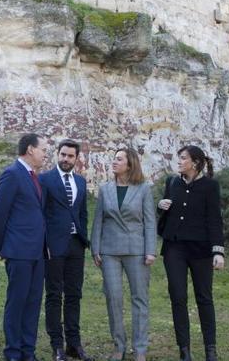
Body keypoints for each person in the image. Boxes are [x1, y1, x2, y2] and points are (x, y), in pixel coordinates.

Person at [157, 145, 225, 361]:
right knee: (178, 297)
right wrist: (160, 206)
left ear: (194, 162)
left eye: (183, 158)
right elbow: (165, 213)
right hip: (174, 248)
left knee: (204, 298)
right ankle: (184, 350)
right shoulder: (172, 182)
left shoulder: (210, 186)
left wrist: (218, 251)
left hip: (201, 250)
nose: (179, 162)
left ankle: (210, 350)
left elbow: (215, 219)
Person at [90, 148, 156, 361]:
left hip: (137, 251)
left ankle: (140, 349)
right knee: (114, 298)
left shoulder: (144, 189)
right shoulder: (105, 189)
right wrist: (95, 248)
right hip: (109, 251)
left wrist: (151, 251)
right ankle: (119, 346)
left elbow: (149, 222)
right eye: (114, 159)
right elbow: (99, 219)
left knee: (140, 299)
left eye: (119, 159)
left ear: (130, 164)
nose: (114, 162)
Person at [0, 133, 50, 361]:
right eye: (43, 149)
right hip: (18, 252)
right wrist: (0, 247)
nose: (45, 154)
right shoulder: (12, 174)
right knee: (17, 302)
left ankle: (28, 351)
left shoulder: (35, 177)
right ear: (30, 149)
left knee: (33, 304)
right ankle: (13, 353)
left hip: (37, 252)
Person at [39, 139, 92, 361]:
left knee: (74, 295)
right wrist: (44, 244)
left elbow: (82, 212)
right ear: (57, 154)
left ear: (76, 158)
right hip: (53, 246)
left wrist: (83, 238)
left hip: (75, 245)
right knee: (53, 295)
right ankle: (57, 347)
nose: (66, 159)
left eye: (70, 156)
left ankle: (74, 344)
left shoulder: (80, 181)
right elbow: (40, 214)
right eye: (63, 154)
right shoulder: (45, 180)